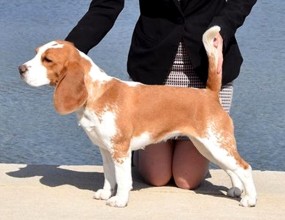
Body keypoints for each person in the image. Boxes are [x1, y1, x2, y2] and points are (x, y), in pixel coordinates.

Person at [65, 0, 256, 190]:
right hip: (154, 68)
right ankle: (133, 142)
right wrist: (67, 52)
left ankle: (190, 155)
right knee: (157, 176)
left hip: (207, 67)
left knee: (186, 179)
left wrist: (223, 27)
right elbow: (106, 5)